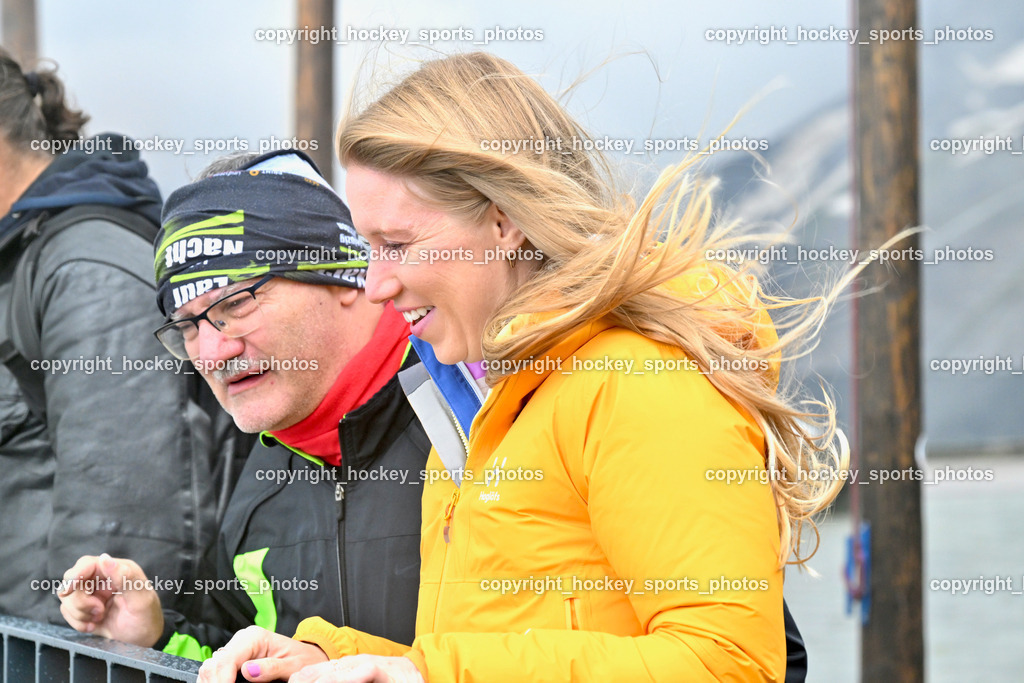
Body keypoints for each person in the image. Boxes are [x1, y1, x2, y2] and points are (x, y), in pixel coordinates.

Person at [198, 53, 847, 682]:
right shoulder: (474, 405)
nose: (375, 284)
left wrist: (430, 674)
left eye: (395, 244)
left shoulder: (641, 385)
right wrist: (334, 658)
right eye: (368, 248)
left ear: (504, 223)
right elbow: (491, 646)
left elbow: (730, 665)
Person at [56, 150, 432, 660]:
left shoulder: (472, 413)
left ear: (342, 276)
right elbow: (245, 656)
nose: (212, 353)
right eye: (188, 327)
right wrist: (155, 640)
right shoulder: (261, 473)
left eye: (235, 304)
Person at [0, 47, 228, 624]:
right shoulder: (26, 256)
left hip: (49, 651)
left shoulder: (87, 268)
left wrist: (66, 655)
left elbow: (124, 532)